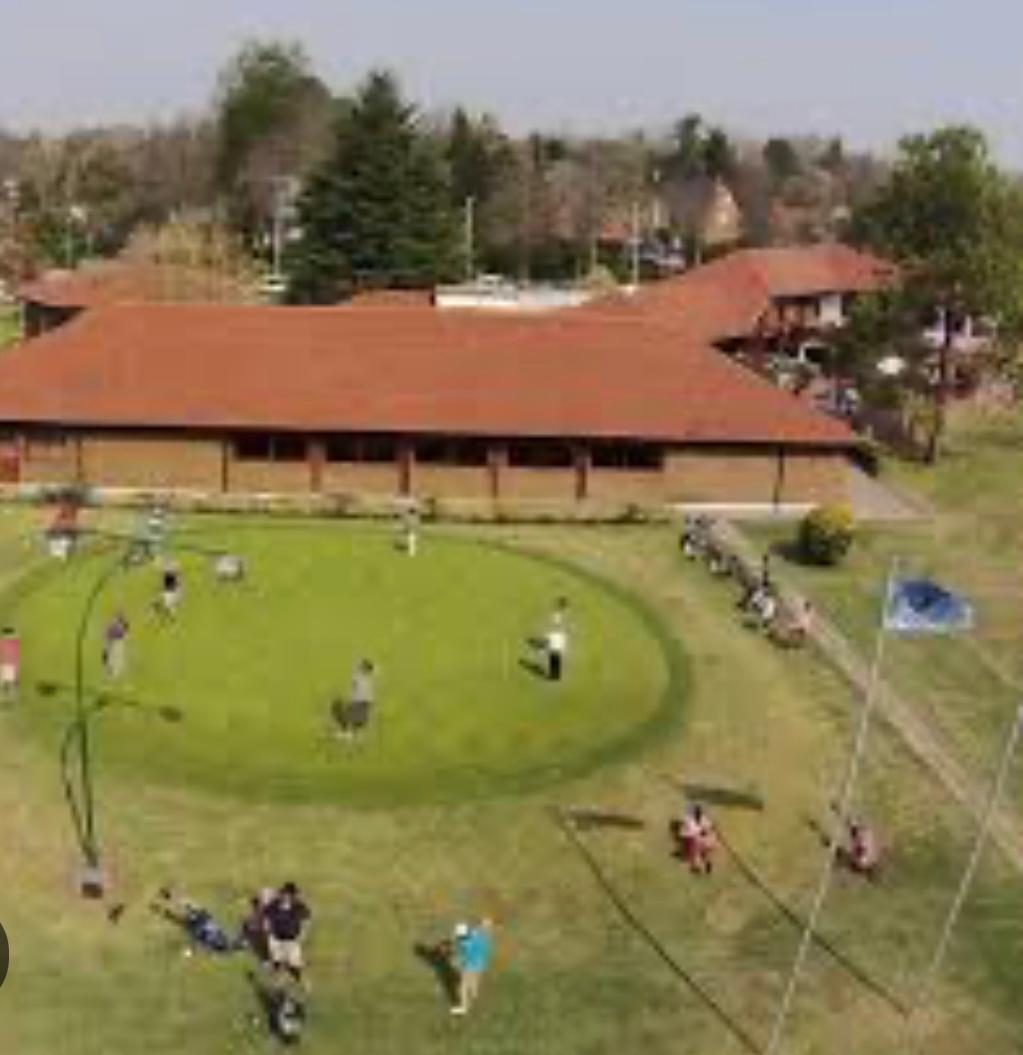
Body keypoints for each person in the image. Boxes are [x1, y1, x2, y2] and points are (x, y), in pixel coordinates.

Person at [152, 887, 243, 954]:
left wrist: (193, 946)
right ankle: (162, 903)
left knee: (181, 913)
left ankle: (163, 903)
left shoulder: (218, 943)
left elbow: (202, 939)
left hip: (200, 925)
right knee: (181, 913)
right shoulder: (219, 942)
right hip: (201, 924)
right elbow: (204, 939)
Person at [263, 882, 311, 984]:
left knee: (295, 966)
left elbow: (306, 920)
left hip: (292, 940)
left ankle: (303, 984)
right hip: (276, 939)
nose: (287, 896)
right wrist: (267, 929)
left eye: (290, 894)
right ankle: (279, 988)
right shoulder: (274, 905)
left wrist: (303, 934)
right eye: (285, 894)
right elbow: (266, 915)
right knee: (277, 964)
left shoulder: (298, 906)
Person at [451, 918, 493, 1016]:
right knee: (475, 980)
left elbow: (464, 959)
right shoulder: (477, 934)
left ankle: (464, 1008)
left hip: (471, 966)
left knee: (463, 988)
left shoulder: (466, 944)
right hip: (482, 963)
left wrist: (456, 962)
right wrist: (486, 924)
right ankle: (474, 994)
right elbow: (483, 929)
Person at [680, 804, 716, 875]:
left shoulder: (692, 821)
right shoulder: (704, 819)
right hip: (705, 841)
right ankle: (705, 863)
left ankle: (697, 867)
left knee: (696, 854)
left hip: (698, 841)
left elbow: (690, 832)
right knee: (703, 854)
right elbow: (709, 828)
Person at [103, 612, 130, 678]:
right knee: (109, 656)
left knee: (114, 657)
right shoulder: (113, 625)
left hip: (116, 642)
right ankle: (110, 670)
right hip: (112, 642)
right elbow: (108, 633)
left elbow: (124, 633)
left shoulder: (121, 625)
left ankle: (112, 671)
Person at [0, 626, 19, 698]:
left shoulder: (3, 642)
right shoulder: (16, 642)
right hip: (10, 665)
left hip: (8, 665)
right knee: (10, 683)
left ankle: (9, 694)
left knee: (9, 682)